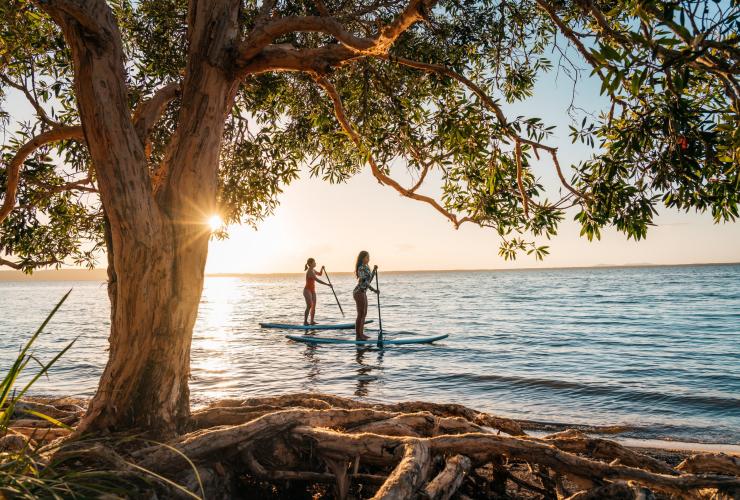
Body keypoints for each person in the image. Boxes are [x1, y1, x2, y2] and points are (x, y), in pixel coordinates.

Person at [353, 250, 378, 341]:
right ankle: (358, 335)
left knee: (364, 313)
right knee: (360, 314)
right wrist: (374, 290)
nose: (369, 259)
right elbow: (364, 281)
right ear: (362, 258)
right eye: (367, 257)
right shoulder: (360, 268)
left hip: (363, 292)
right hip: (359, 292)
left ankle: (361, 334)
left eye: (369, 257)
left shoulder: (367, 267)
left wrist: (374, 271)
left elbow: (369, 280)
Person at [303, 258, 329, 325]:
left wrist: (322, 269)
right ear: (310, 264)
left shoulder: (313, 270)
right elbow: (317, 280)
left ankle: (312, 321)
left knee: (313, 306)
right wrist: (327, 284)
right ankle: (305, 322)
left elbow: (320, 274)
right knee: (309, 305)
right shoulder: (310, 272)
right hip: (307, 290)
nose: (315, 263)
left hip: (312, 290)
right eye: (314, 262)